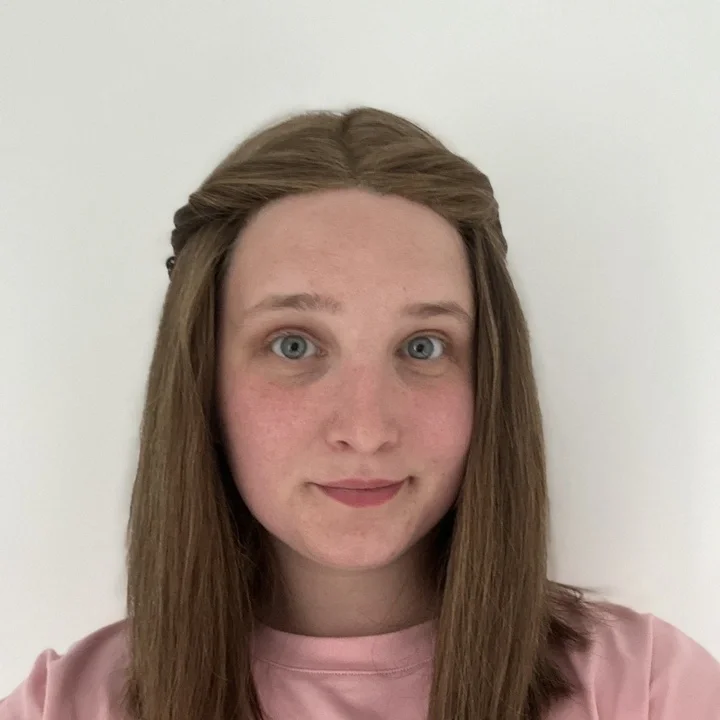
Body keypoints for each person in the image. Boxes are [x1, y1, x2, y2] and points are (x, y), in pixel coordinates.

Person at [2, 107, 718, 720]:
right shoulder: (65, 707)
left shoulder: (647, 693)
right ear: (203, 378)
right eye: (293, 344)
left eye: (423, 345)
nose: (367, 429)